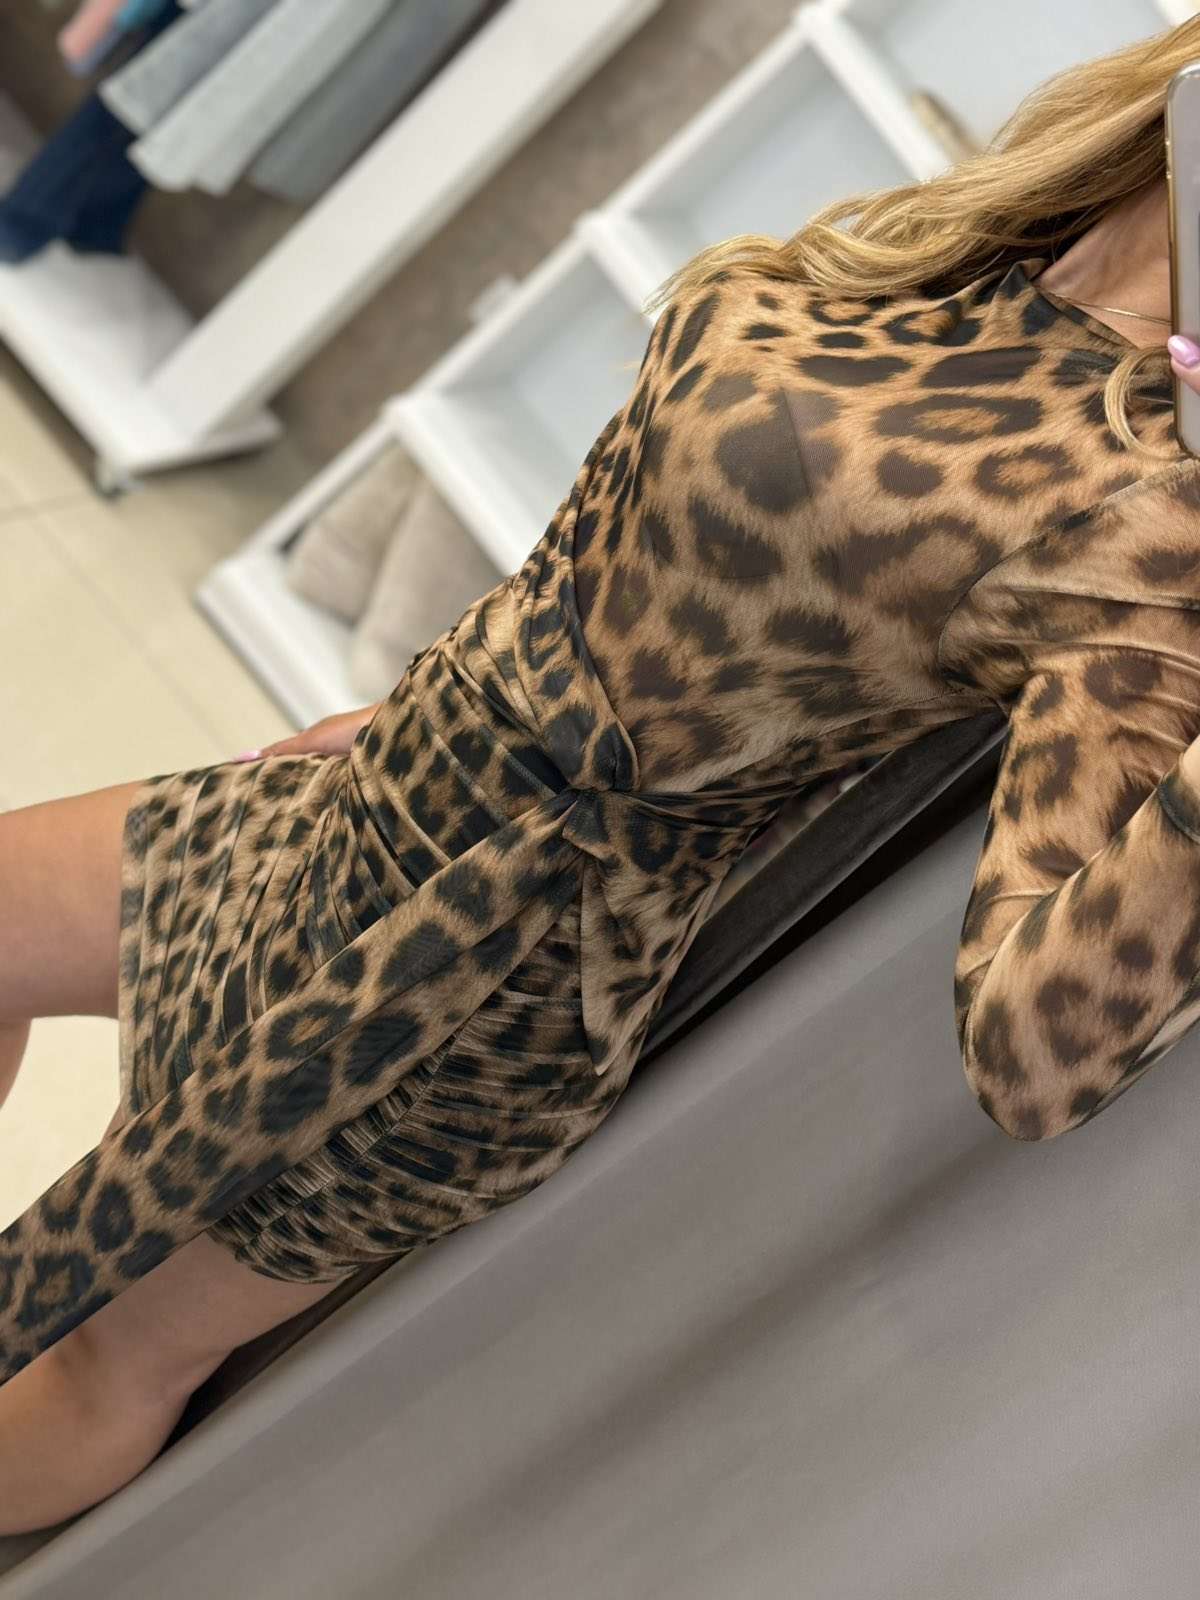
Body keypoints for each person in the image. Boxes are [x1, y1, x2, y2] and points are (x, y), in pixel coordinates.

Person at [4, 15, 1200, 1534]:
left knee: (101, 1349)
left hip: (481, 977)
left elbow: (1038, 1057)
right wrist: (462, 685)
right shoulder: (1022, 227)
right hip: (383, 789)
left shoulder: (1161, 515)